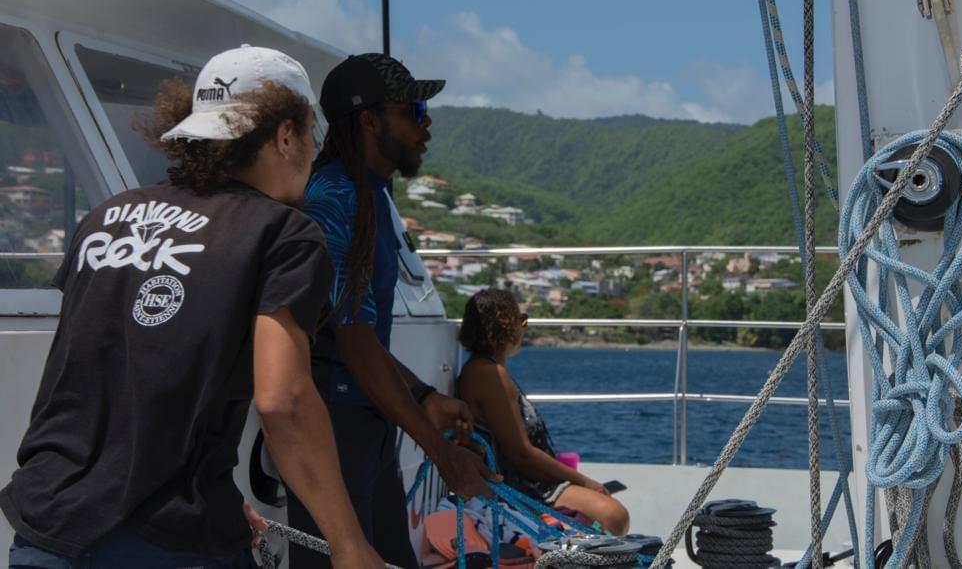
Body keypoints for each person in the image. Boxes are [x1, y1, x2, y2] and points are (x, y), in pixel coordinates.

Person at [1, 46, 383, 569]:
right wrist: (349, 545)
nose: (313, 153)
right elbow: (283, 402)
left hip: (46, 523)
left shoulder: (107, 217)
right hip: (165, 541)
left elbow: (105, 374)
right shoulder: (282, 235)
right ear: (285, 135)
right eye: (310, 133)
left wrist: (220, 498)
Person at [286, 53, 496, 568]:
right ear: (370, 120)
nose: (427, 122)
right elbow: (353, 342)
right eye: (414, 109)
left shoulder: (369, 196)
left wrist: (423, 394)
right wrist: (441, 454)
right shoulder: (335, 198)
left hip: (365, 422)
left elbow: (354, 337)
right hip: (333, 429)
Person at [456, 289, 630, 535]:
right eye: (522, 320)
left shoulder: (487, 370)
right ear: (506, 326)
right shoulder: (488, 375)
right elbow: (521, 455)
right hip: (519, 486)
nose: (523, 328)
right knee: (614, 516)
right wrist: (585, 482)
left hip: (529, 480)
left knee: (611, 512)